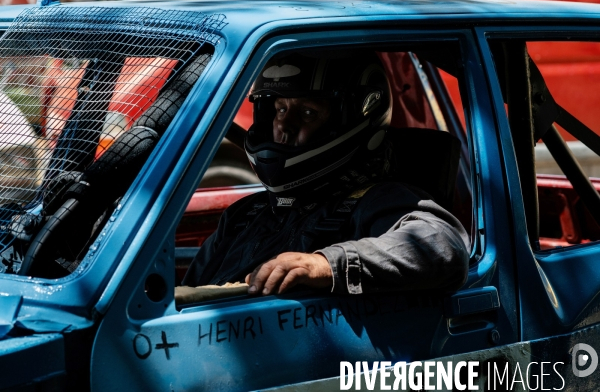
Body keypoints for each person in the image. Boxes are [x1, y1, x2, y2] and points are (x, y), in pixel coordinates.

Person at [183, 52, 470, 296]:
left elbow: (442, 246)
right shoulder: (244, 214)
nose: (284, 125)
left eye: (307, 112)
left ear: (348, 121)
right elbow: (187, 295)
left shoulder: (377, 200)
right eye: (280, 108)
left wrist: (323, 265)